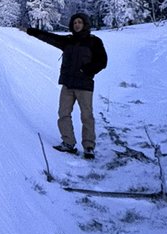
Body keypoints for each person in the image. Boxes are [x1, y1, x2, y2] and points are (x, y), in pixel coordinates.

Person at [25, 12, 108, 158]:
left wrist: (87, 70)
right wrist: (31, 31)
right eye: (75, 22)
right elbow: (49, 37)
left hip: (84, 85)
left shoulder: (94, 41)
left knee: (87, 116)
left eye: (80, 22)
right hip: (68, 85)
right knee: (63, 114)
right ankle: (68, 143)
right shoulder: (68, 40)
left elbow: (102, 61)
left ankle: (89, 146)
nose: (77, 25)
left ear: (85, 24)